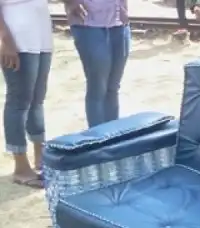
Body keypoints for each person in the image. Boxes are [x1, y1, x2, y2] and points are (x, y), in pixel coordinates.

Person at [0, 0, 52, 188]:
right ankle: (21, 167)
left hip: (41, 33)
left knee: (37, 99)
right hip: (17, 37)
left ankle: (41, 156)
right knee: (19, 101)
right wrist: (4, 39)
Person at [64, 0, 130, 128]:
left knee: (112, 88)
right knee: (98, 87)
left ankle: (113, 135)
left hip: (119, 22)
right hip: (88, 23)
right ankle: (99, 137)